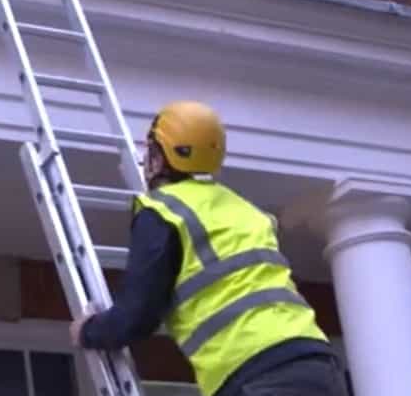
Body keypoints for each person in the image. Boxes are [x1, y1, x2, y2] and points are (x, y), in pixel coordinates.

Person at [69, 101, 347, 396]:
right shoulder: (245, 209)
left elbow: (137, 316)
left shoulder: (162, 211)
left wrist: (89, 331)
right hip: (318, 363)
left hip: (255, 373)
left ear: (159, 157)